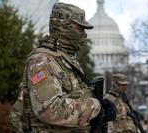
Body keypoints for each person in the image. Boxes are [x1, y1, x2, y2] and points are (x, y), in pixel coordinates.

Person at [9, 2, 116, 133]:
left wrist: (102, 106)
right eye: (80, 29)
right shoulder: (41, 61)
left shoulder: (66, 60)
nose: (84, 35)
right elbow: (48, 109)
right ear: (63, 27)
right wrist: (95, 107)